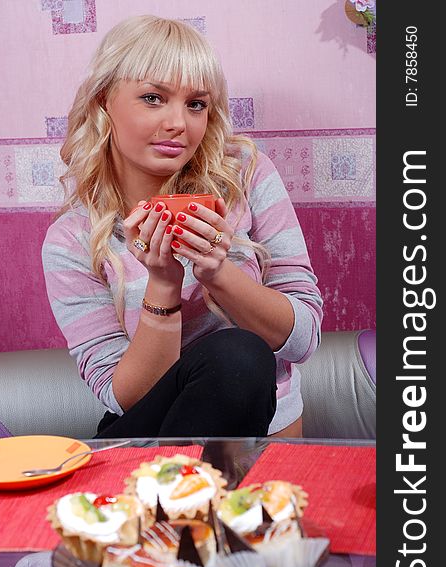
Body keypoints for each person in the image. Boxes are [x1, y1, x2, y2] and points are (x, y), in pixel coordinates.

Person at [42, 15, 323, 439]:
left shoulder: (245, 175)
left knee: (240, 355)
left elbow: (302, 341)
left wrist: (218, 273)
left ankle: (193, 502)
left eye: (196, 104)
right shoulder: (73, 239)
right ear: (103, 102)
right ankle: (172, 503)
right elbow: (123, 397)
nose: (179, 123)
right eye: (153, 98)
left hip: (261, 437)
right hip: (146, 443)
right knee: (235, 355)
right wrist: (163, 283)